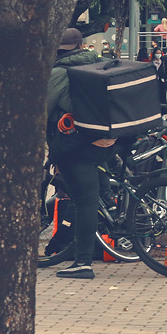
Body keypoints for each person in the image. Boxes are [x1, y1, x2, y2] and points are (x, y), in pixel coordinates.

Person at [44, 28, 118, 279]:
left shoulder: (59, 72)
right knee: (90, 191)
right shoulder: (100, 63)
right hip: (110, 141)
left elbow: (42, 109)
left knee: (85, 202)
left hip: (78, 146)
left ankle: (83, 263)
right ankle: (110, 205)